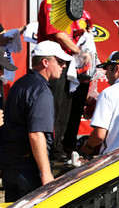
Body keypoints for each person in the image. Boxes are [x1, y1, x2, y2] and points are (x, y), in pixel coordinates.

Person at [1, 41, 72, 201]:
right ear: (45, 62)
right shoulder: (41, 91)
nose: (64, 66)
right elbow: (36, 135)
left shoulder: (19, 84)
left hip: (11, 166)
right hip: (28, 169)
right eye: (60, 61)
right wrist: (46, 174)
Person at [37, 0, 86, 160]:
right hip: (54, 62)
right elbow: (58, 34)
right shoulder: (52, 2)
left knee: (71, 107)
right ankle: (53, 151)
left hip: (71, 63)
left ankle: (66, 149)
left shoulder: (74, 5)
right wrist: (80, 52)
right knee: (56, 108)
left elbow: (79, 30)